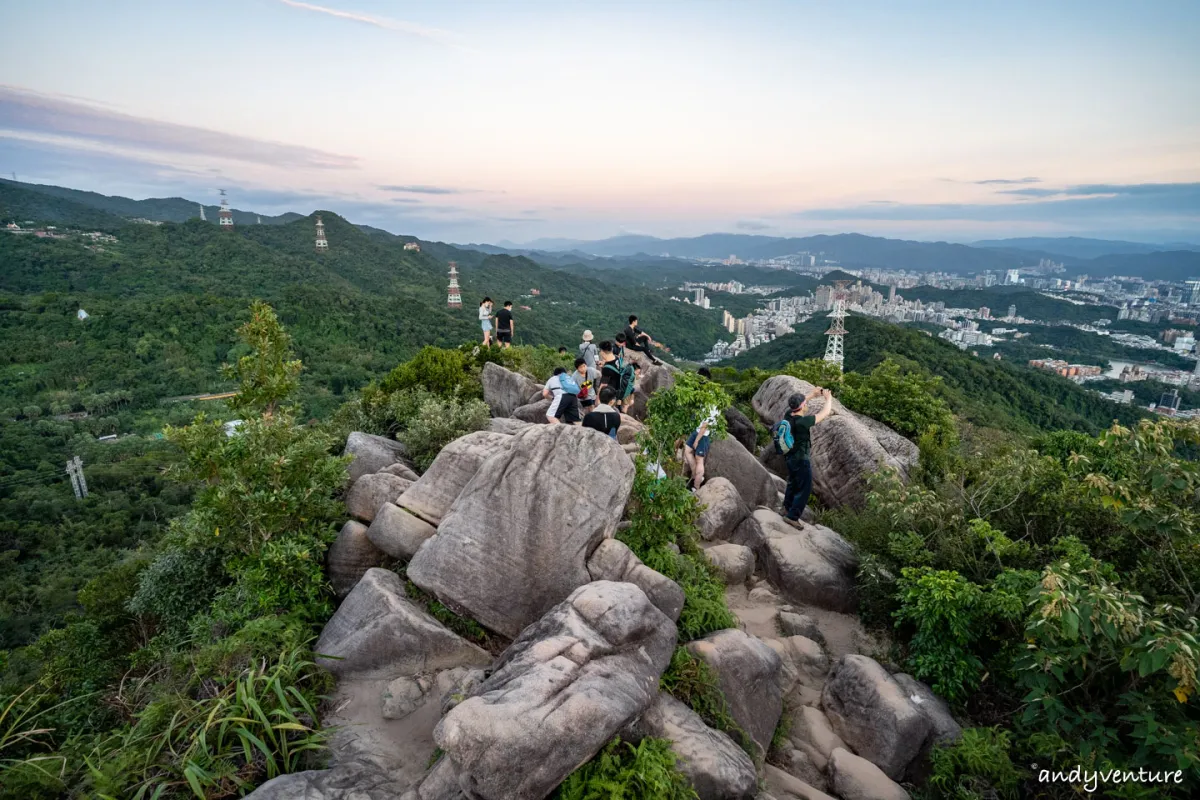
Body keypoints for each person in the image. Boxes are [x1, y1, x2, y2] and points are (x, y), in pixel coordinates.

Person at [777, 388, 833, 527]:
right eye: (805, 403)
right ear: (802, 407)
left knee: (793, 483)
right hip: (801, 459)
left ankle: (785, 508)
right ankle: (792, 516)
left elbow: (799, 404)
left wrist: (813, 395)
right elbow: (824, 413)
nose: (806, 405)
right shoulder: (803, 422)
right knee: (804, 488)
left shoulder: (788, 415)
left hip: (789, 457)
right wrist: (828, 398)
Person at [683, 409, 717, 491]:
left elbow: (705, 426)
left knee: (699, 460)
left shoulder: (713, 406)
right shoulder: (706, 401)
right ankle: (696, 476)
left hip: (703, 435)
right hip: (697, 430)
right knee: (687, 450)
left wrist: (697, 441)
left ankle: (696, 487)